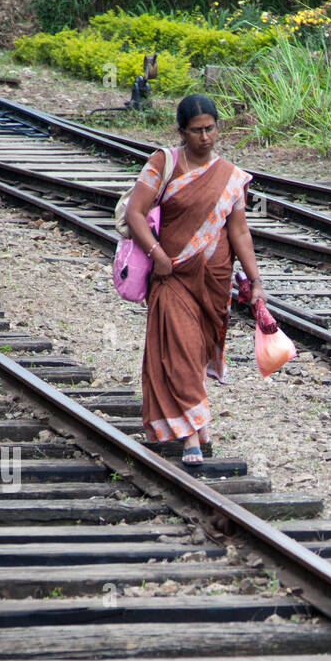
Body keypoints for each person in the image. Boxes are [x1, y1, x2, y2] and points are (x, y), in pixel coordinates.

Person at [124, 94, 266, 463]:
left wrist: (256, 281)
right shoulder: (164, 163)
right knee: (180, 352)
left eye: (210, 129)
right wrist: (157, 255)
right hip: (171, 274)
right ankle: (191, 436)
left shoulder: (231, 177)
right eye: (196, 131)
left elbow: (239, 233)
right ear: (181, 132)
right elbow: (136, 213)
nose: (205, 137)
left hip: (213, 280)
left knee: (197, 351)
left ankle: (197, 428)